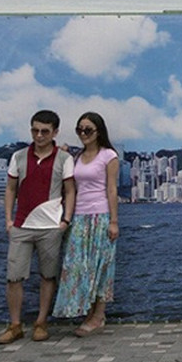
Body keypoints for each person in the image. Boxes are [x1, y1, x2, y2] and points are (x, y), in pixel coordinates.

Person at [0, 109, 76, 344]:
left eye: (44, 131)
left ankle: (41, 323)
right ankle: (15, 325)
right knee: (14, 277)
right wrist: (9, 221)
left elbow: (70, 190)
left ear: (55, 132)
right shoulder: (19, 156)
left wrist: (65, 221)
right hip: (21, 225)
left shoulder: (65, 159)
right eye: (35, 130)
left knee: (48, 276)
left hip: (51, 226)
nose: (39, 135)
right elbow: (10, 188)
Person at [53, 111, 120, 336]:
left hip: (100, 216)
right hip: (79, 218)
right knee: (78, 266)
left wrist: (113, 221)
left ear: (98, 131)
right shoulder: (77, 158)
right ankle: (89, 312)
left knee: (100, 267)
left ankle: (98, 315)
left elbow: (112, 189)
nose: (83, 133)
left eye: (88, 129)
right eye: (79, 129)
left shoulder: (109, 156)